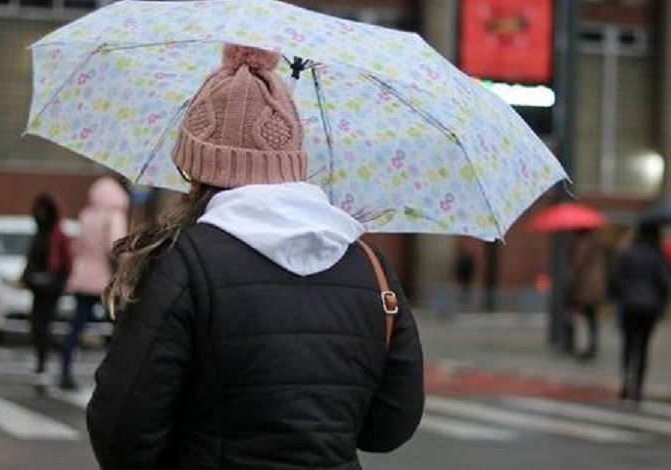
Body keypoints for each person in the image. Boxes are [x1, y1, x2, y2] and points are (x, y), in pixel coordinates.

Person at [87, 44, 424, 469]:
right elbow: (389, 427)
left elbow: (123, 430)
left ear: (199, 168)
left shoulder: (183, 265)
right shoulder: (369, 266)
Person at [58, 176, 129, 391]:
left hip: (83, 278)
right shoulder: (114, 215)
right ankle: (118, 375)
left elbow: (77, 248)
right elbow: (115, 247)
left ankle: (65, 371)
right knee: (120, 330)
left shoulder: (86, 215)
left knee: (76, 326)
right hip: (105, 281)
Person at [608, 223, 671, 403]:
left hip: (629, 305)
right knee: (643, 347)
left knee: (628, 345)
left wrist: (622, 294)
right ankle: (638, 387)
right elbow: (665, 283)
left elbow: (615, 278)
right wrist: (660, 302)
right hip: (650, 307)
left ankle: (625, 382)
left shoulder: (628, 254)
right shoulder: (657, 256)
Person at [21, 193, 72, 383]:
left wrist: (58, 280)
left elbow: (65, 263)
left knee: (43, 324)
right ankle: (43, 359)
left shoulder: (57, 235)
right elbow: (32, 258)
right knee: (36, 324)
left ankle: (51, 356)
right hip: (37, 285)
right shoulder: (39, 232)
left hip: (51, 286)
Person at [562, 228, 606, 360]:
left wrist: (569, 285)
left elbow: (577, 267)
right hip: (595, 288)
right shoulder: (596, 243)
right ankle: (591, 346)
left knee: (581, 318)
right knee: (591, 319)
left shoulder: (581, 244)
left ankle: (582, 348)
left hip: (584, 288)